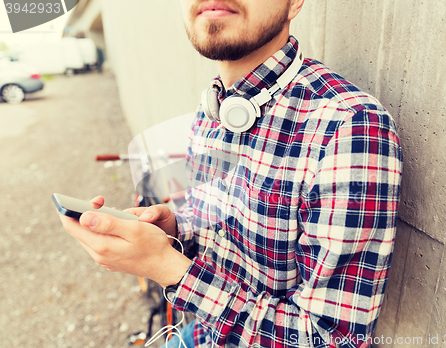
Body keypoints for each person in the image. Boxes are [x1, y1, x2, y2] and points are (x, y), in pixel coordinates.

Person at [58, 0, 403, 347]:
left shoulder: (350, 128)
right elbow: (215, 223)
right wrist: (175, 229)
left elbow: (332, 339)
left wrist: (166, 268)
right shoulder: (215, 105)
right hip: (200, 334)